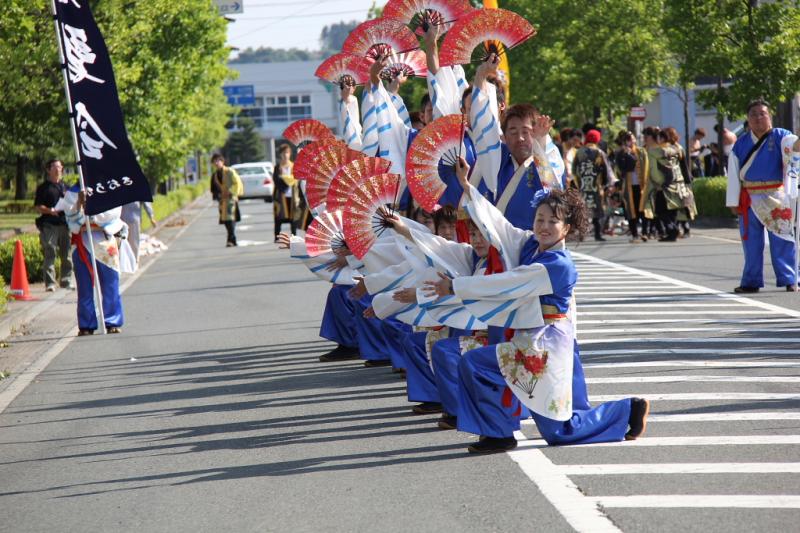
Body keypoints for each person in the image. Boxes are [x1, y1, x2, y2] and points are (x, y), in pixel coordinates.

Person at [435, 159, 649, 453]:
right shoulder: (530, 245)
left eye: (553, 221)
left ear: (567, 228)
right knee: (477, 364)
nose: (544, 226)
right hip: (532, 341)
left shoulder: (558, 265)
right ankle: (498, 433)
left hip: (546, 346)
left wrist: (456, 286)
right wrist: (467, 187)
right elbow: (500, 226)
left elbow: (508, 283)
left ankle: (627, 411)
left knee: (560, 431)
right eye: (540, 219)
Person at [726, 99, 799, 293]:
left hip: (777, 197)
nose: (758, 118)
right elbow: (733, 173)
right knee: (751, 243)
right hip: (749, 198)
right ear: (748, 119)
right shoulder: (740, 144)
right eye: (754, 115)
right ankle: (750, 281)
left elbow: (794, 148)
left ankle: (790, 278)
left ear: (770, 116)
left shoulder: (781, 136)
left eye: (762, 113)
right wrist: (733, 201)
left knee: (783, 239)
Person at [57, 186, 135, 336]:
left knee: (110, 284)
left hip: (105, 242)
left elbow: (113, 214)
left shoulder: (110, 187)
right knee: (84, 286)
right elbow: (70, 217)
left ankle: (112, 321)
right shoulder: (73, 192)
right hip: (81, 242)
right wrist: (79, 205)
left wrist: (91, 209)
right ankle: (86, 324)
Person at [34, 159, 73, 291]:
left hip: (65, 224)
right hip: (49, 224)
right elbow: (38, 206)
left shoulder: (66, 187)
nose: (58, 170)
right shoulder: (43, 188)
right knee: (50, 252)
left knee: (66, 254)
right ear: (48, 170)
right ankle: (50, 283)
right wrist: (49, 211)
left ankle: (66, 280)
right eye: (55, 167)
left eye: (60, 167)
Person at [572, 129, 613, 241]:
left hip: (583, 185)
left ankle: (581, 234)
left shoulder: (579, 152)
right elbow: (606, 170)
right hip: (596, 185)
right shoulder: (599, 152)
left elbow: (574, 169)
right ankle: (597, 234)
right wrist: (606, 183)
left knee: (583, 209)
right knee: (597, 209)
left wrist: (578, 182)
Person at [614, 131, 648, 242]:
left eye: (632, 139)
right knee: (631, 211)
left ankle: (645, 232)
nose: (631, 141)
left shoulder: (641, 151)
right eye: (628, 140)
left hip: (641, 185)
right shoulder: (621, 154)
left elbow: (647, 167)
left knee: (643, 209)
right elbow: (623, 169)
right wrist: (627, 155)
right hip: (628, 187)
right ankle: (635, 234)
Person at [211, 154, 242, 247]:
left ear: (222, 161)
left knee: (230, 218)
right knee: (225, 220)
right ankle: (232, 239)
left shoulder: (229, 171)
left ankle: (230, 240)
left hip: (231, 198)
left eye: (218, 161)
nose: (216, 163)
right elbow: (213, 189)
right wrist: (218, 196)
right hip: (222, 201)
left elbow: (237, 183)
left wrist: (231, 192)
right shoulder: (215, 175)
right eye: (214, 161)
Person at [273, 144, 303, 241]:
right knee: (278, 217)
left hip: (293, 195)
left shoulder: (294, 166)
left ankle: (293, 235)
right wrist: (285, 184)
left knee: (293, 217)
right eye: (283, 153)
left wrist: (285, 179)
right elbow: (276, 180)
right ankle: (277, 236)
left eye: (287, 153)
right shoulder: (277, 167)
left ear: (289, 154)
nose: (285, 155)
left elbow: (297, 179)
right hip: (281, 195)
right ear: (280, 155)